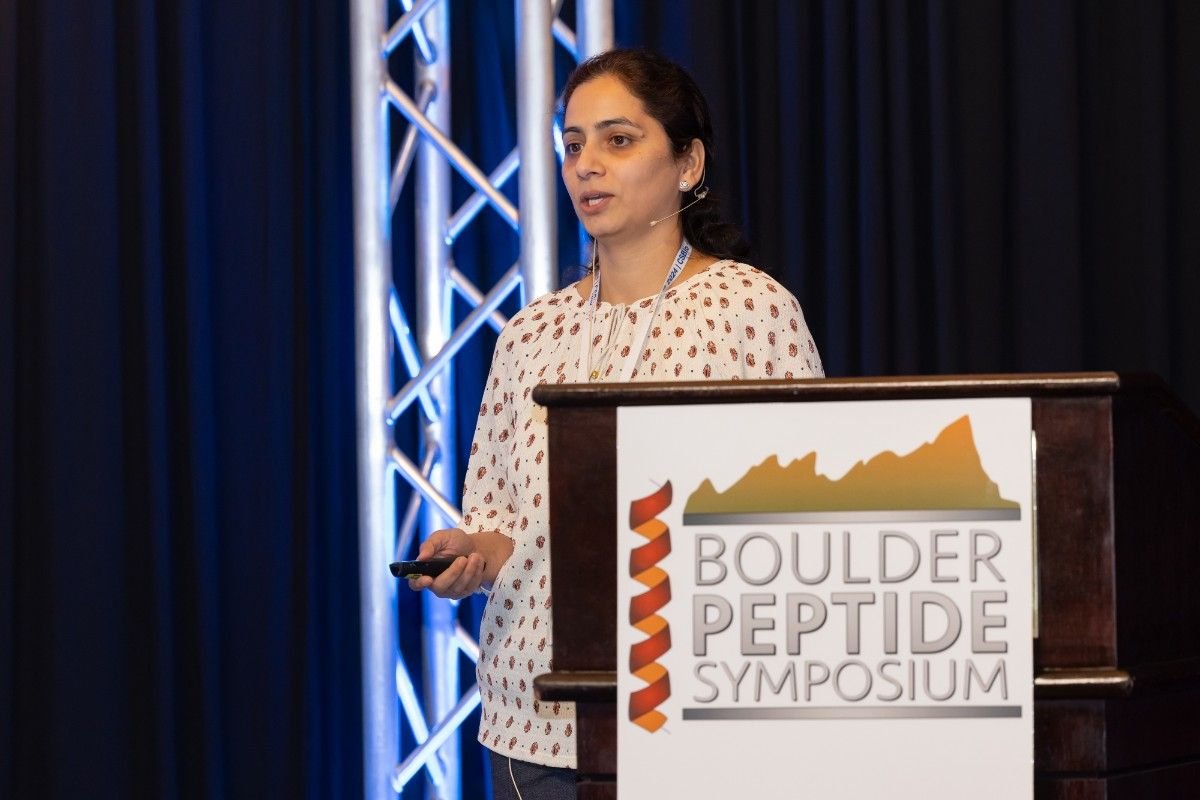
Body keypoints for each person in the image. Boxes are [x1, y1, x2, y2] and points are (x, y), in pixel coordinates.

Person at [407, 48, 823, 799]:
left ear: (688, 163)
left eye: (618, 140)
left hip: (701, 720)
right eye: (573, 146)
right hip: (535, 724)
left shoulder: (749, 309)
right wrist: (473, 553)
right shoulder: (529, 335)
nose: (587, 165)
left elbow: (811, 515)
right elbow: (503, 521)